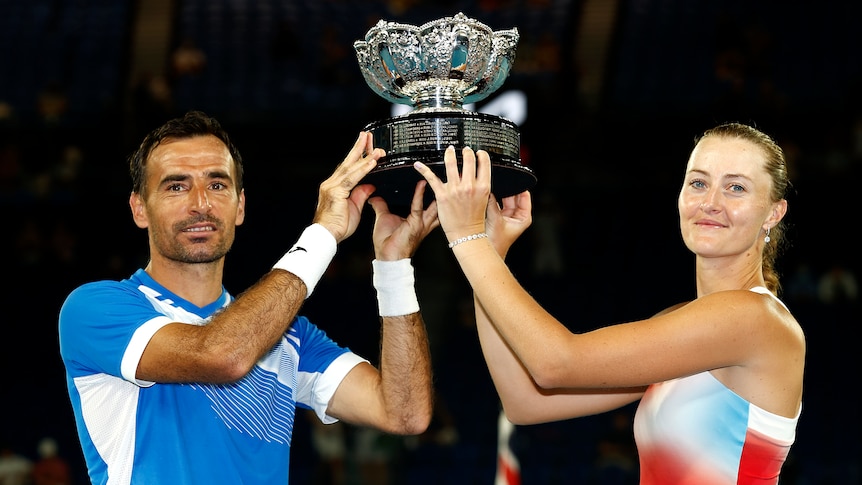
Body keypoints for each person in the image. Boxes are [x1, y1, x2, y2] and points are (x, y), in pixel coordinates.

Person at [58, 110, 438, 484]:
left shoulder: (288, 335)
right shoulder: (95, 308)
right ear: (139, 208)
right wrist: (323, 234)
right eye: (176, 186)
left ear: (240, 206)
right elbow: (222, 355)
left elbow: (405, 413)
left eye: (217, 184)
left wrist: (393, 267)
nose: (200, 203)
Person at [414, 122, 804, 484]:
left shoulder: (754, 318)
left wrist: (468, 241)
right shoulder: (685, 323)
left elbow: (557, 363)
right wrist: (491, 254)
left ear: (774, 212)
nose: (711, 202)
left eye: (736, 188)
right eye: (698, 183)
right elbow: (525, 402)